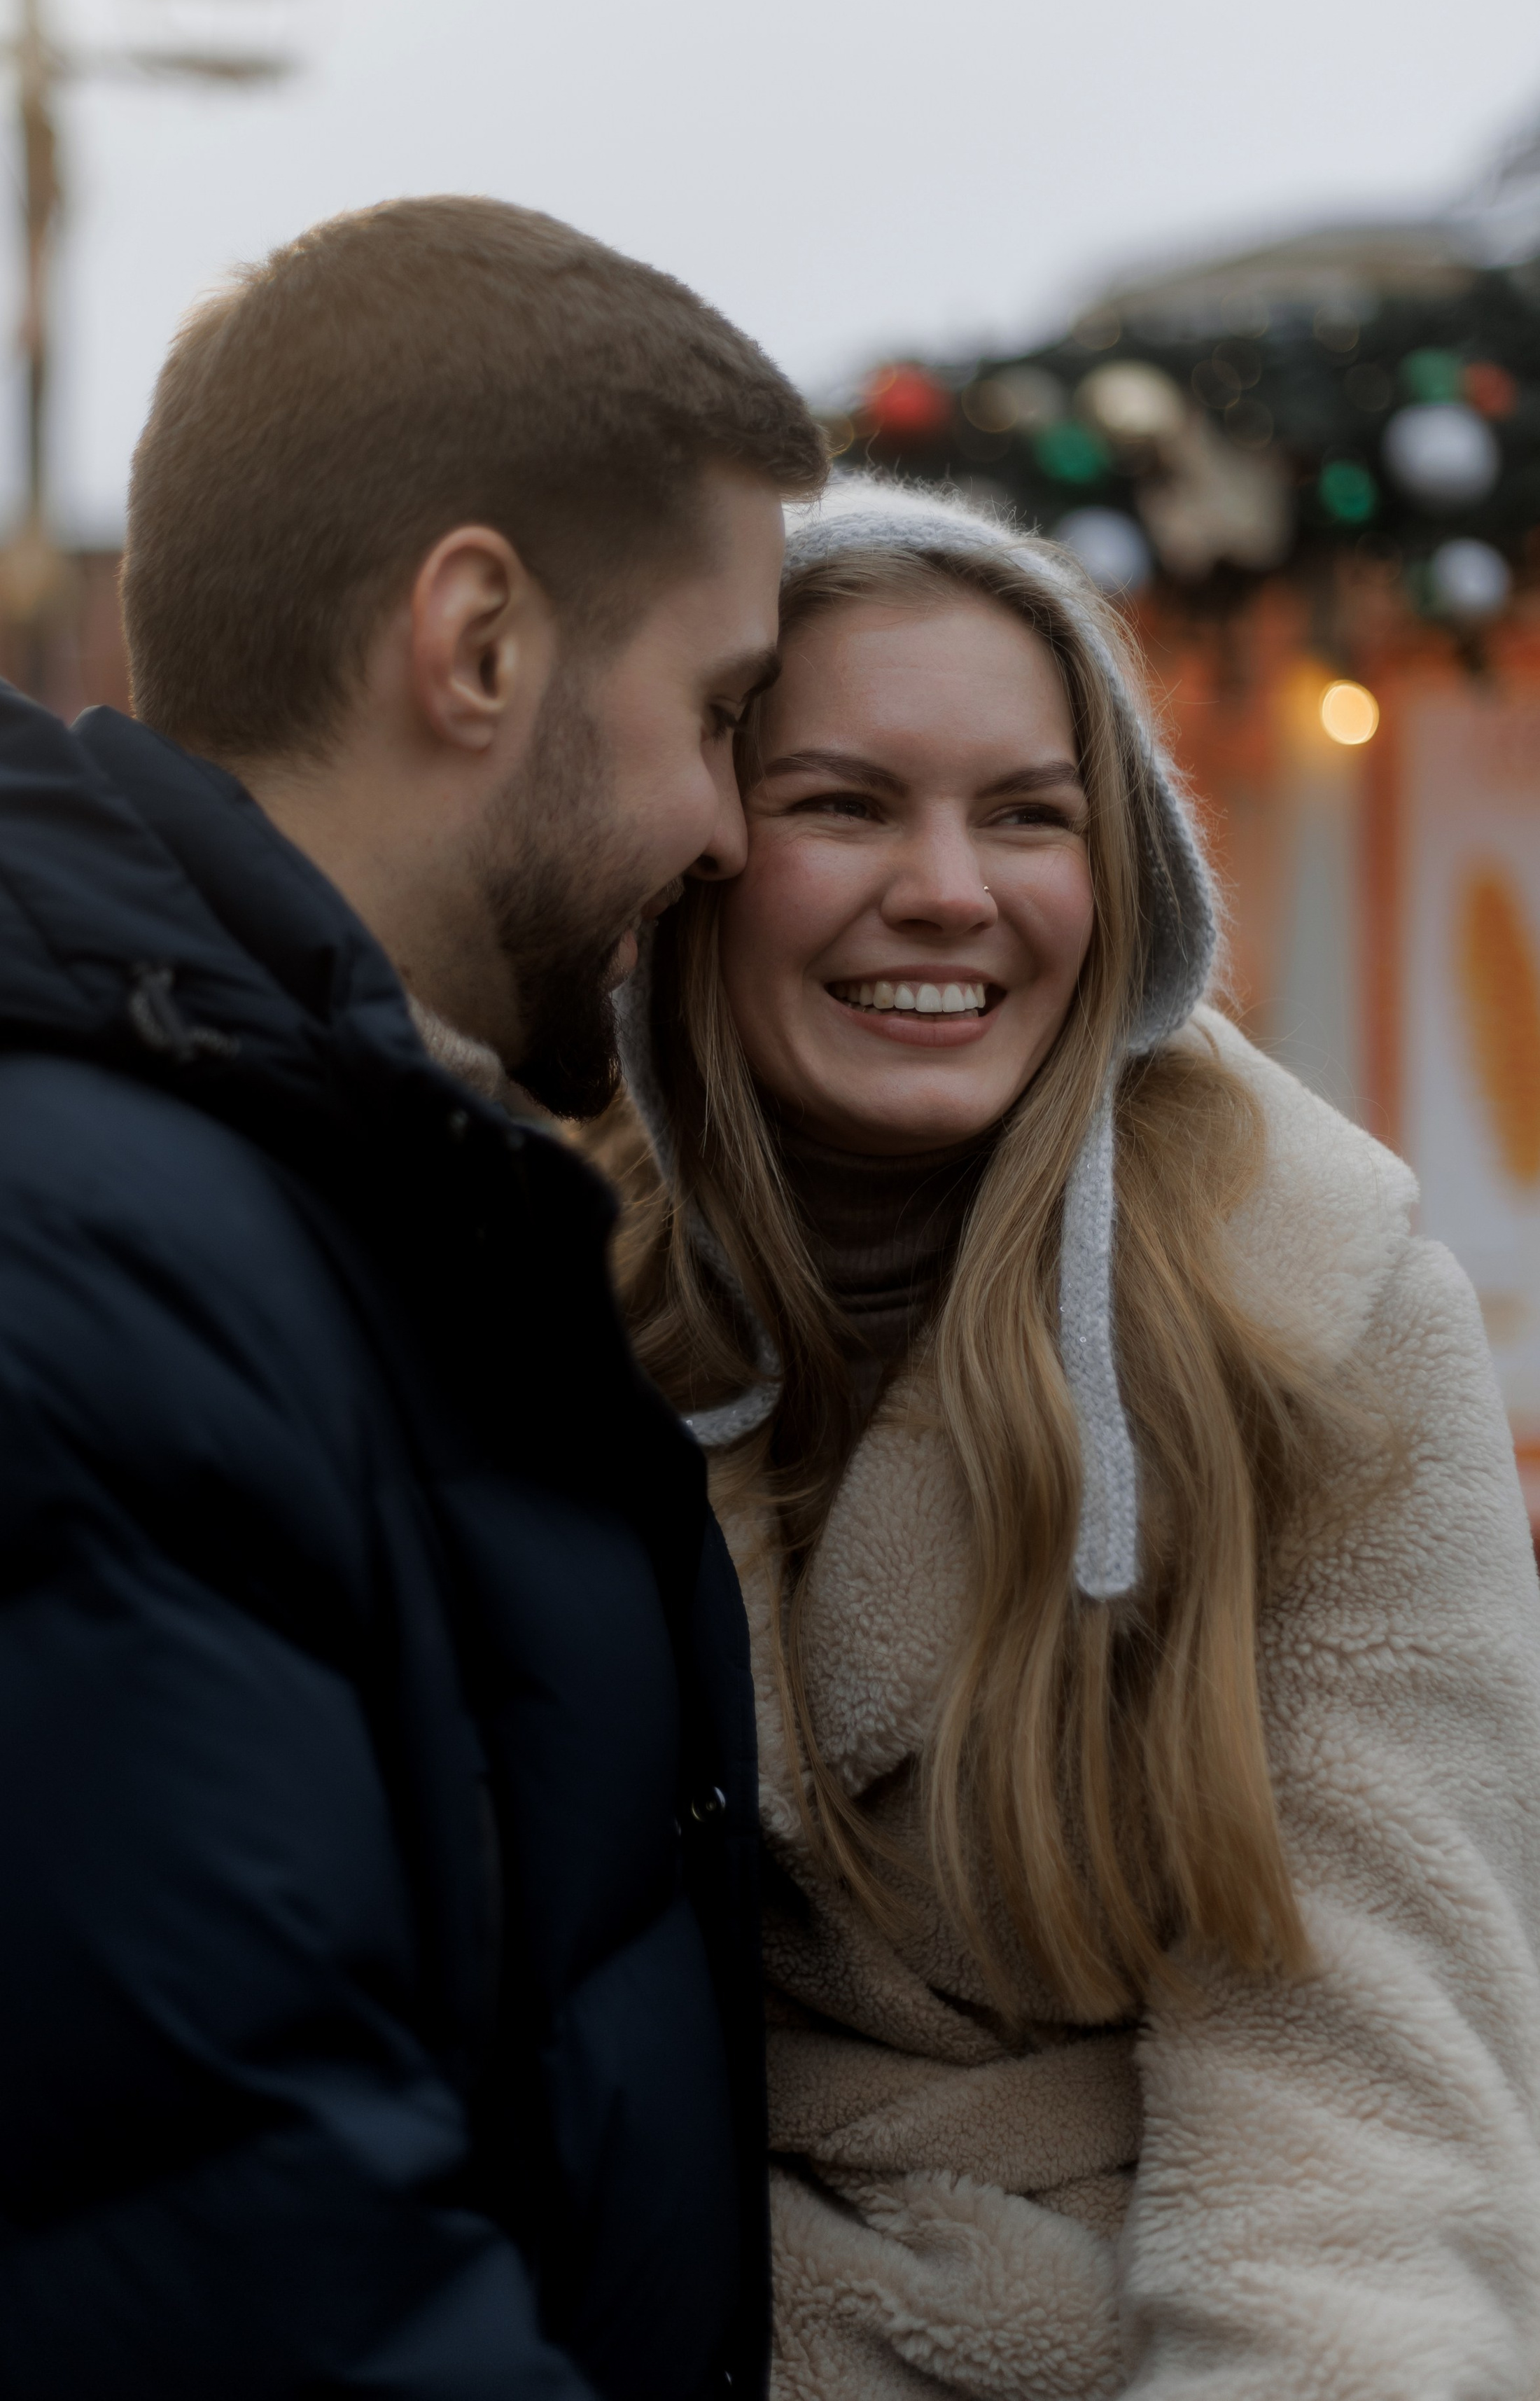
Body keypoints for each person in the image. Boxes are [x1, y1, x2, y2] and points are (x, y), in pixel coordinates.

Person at [0, 196, 829, 2398]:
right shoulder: (53, 1276)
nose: (732, 831)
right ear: (478, 643)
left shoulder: (295, 1201)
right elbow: (227, 2288)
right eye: (719, 713)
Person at [595, 477, 1540, 2398]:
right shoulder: (531, 1286)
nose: (951, 889)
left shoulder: (1309, 1316)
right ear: (695, 850)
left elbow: (1360, 2128)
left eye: (1030, 815)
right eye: (844, 803)